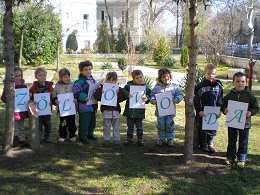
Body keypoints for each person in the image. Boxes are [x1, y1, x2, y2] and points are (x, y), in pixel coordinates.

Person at [222, 72, 259, 168]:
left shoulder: (249, 95)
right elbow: (223, 104)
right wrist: (224, 110)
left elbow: (255, 107)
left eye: (243, 81)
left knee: (243, 141)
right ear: (233, 82)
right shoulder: (230, 95)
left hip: (245, 124)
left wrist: (250, 112)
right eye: (237, 81)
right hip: (232, 122)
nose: (240, 83)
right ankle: (230, 157)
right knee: (232, 140)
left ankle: (241, 158)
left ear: (246, 82)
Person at [194, 64, 223, 153]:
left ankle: (210, 143)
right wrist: (199, 110)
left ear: (216, 74)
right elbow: (197, 99)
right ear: (204, 73)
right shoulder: (200, 86)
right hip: (203, 112)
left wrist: (219, 110)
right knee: (202, 128)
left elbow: (220, 99)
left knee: (212, 128)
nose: (211, 76)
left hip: (213, 112)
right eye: (208, 74)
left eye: (213, 74)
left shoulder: (218, 86)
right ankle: (203, 144)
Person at [151, 68, 183, 146]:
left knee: (169, 124)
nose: (166, 78)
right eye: (163, 77)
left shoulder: (175, 87)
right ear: (160, 78)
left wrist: (176, 99)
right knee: (161, 124)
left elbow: (180, 94)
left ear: (170, 77)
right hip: (160, 111)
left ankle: (170, 138)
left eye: (167, 76)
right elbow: (152, 96)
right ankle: (161, 138)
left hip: (170, 111)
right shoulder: (157, 88)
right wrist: (153, 101)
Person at [94, 72, 126, 144]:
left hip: (115, 110)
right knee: (106, 126)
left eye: (113, 80)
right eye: (109, 80)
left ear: (116, 81)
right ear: (106, 80)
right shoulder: (102, 88)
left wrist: (118, 93)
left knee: (116, 126)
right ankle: (106, 139)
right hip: (106, 110)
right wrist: (101, 92)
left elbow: (123, 97)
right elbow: (96, 96)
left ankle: (116, 139)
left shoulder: (118, 88)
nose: (111, 82)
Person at [1, 67, 29, 146]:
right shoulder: (9, 87)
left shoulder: (24, 86)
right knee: (15, 126)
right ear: (12, 77)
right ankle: (15, 139)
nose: (18, 77)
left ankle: (22, 139)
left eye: (19, 75)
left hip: (21, 111)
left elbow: (26, 97)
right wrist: (9, 98)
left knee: (21, 125)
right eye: (15, 76)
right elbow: (3, 98)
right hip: (13, 111)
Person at [123, 70, 151, 146]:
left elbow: (150, 95)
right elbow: (123, 91)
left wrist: (147, 98)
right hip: (130, 112)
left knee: (139, 127)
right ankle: (129, 139)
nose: (139, 79)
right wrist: (127, 94)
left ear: (143, 77)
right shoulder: (128, 86)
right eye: (137, 78)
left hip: (139, 111)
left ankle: (140, 139)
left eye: (141, 77)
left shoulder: (145, 88)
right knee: (130, 127)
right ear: (133, 79)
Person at [73, 61, 98, 143]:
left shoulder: (93, 80)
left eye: (90, 69)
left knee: (92, 122)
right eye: (86, 69)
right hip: (84, 106)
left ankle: (90, 134)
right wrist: (83, 97)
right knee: (84, 122)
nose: (88, 71)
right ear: (81, 71)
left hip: (93, 105)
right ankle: (82, 136)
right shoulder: (79, 82)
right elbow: (76, 92)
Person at [29, 67, 53, 143]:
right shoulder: (33, 88)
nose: (42, 77)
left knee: (48, 124)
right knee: (39, 125)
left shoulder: (49, 87)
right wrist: (33, 102)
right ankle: (39, 137)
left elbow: (53, 96)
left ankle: (47, 137)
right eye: (40, 75)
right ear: (36, 77)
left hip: (47, 110)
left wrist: (52, 101)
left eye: (44, 75)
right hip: (38, 110)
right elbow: (30, 98)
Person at [53, 68, 77, 142]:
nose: (67, 78)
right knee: (63, 123)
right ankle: (62, 135)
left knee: (72, 122)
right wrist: (55, 101)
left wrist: (75, 99)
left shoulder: (73, 85)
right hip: (62, 110)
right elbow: (53, 96)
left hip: (71, 109)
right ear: (60, 78)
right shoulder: (57, 86)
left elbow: (76, 94)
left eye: (68, 76)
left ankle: (72, 135)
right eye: (65, 77)